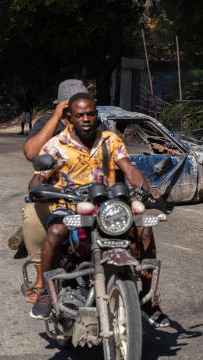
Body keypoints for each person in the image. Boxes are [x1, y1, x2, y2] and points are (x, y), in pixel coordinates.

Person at [28, 92, 169, 328]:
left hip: (108, 206)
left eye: (91, 113)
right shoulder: (56, 145)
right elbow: (39, 177)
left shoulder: (110, 140)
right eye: (80, 115)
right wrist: (37, 188)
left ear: (96, 115)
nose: (86, 118)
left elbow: (129, 168)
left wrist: (147, 189)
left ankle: (148, 300)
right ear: (70, 118)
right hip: (69, 205)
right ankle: (44, 290)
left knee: (144, 229)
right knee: (55, 233)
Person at [20, 79, 90, 304]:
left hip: (88, 193)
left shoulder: (95, 125)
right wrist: (56, 118)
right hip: (55, 193)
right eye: (72, 107)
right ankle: (42, 280)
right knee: (32, 215)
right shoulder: (47, 124)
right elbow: (31, 153)